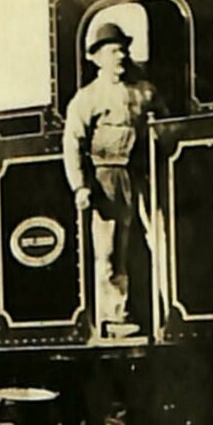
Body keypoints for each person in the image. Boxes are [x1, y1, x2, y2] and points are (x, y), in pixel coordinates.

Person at [63, 22, 166, 339]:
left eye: (122, 49)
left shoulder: (144, 91)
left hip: (142, 175)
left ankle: (162, 310)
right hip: (106, 178)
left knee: (158, 239)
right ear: (96, 58)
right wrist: (80, 185)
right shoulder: (86, 98)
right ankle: (115, 318)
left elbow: (167, 122)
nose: (120, 56)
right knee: (109, 251)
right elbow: (72, 143)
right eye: (112, 51)